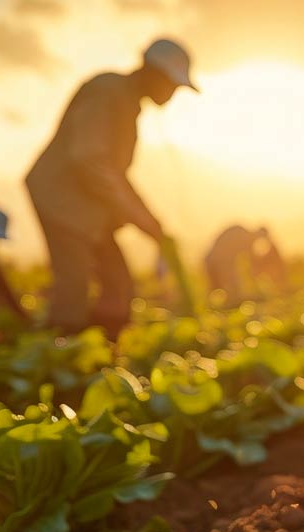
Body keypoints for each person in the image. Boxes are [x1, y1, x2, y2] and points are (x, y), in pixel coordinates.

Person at [25, 38, 198, 336]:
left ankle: (103, 349)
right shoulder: (108, 91)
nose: (172, 93)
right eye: (171, 84)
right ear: (152, 72)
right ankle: (61, 353)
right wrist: (140, 218)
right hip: (63, 200)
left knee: (117, 283)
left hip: (86, 206)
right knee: (74, 287)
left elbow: (115, 174)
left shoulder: (127, 101)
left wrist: (148, 219)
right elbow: (88, 159)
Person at [204, 225, 286, 304]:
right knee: (232, 291)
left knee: (217, 291)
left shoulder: (241, 231)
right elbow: (251, 265)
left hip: (210, 258)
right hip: (221, 261)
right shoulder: (247, 238)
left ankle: (217, 310)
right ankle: (226, 309)